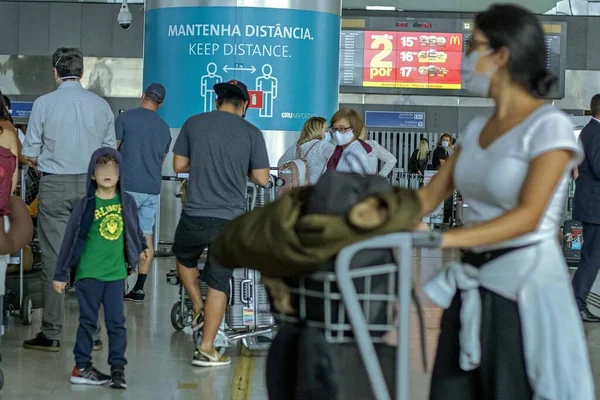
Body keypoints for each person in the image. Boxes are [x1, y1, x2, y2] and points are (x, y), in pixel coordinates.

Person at [420, 5, 593, 399]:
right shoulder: (477, 128)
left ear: (502, 55)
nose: (465, 57)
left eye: (473, 46)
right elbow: (428, 197)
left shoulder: (548, 127)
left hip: (522, 290)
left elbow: (528, 217)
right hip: (471, 284)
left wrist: (440, 241)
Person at [22, 47, 117, 352]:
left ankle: (50, 332)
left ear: (55, 72)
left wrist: (40, 162)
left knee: (53, 258)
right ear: (82, 72)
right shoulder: (101, 106)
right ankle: (93, 334)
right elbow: (109, 154)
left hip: (55, 186)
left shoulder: (44, 104)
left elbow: (30, 153)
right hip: (92, 189)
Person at [172, 79, 269, 367]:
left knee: (184, 256)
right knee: (219, 282)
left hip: (195, 213)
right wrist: (243, 170)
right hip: (230, 221)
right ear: (245, 106)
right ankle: (205, 349)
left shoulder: (194, 123)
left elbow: (178, 166)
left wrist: (202, 163)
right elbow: (262, 178)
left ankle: (197, 306)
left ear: (217, 101)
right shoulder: (252, 132)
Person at [52, 148, 147, 389]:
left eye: (113, 169)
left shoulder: (127, 201)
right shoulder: (85, 205)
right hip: (89, 275)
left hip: (115, 275)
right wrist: (61, 273)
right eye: (102, 169)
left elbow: (134, 228)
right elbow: (69, 240)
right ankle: (81, 366)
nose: (108, 173)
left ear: (120, 174)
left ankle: (118, 369)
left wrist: (142, 246)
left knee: (116, 323)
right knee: (88, 322)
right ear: (92, 175)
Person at [116, 83, 171, 303]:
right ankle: (139, 288)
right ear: (161, 104)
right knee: (145, 234)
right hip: (151, 188)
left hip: (127, 186)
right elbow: (161, 161)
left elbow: (112, 149)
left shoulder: (125, 118)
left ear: (142, 96)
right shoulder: (164, 128)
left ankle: (119, 283)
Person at [572, 94, 600, 322]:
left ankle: (576, 302)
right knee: (591, 258)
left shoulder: (589, 131)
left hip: (591, 203)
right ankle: (577, 304)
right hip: (594, 205)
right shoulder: (595, 133)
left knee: (590, 257)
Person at [277, 116, 335, 185]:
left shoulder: (295, 146)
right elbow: (340, 159)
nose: (328, 133)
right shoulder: (323, 146)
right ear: (317, 130)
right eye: (326, 130)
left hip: (297, 190)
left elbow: (280, 164)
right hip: (317, 190)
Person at [326, 108, 372, 173]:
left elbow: (359, 181)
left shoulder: (357, 154)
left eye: (342, 128)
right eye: (334, 128)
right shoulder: (340, 150)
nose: (336, 133)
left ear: (354, 128)